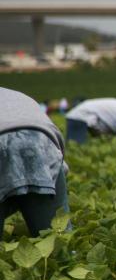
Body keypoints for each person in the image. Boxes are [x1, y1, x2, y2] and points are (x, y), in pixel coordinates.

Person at [1, 87, 69, 237]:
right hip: (41, 143)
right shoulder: (15, 95)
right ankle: (65, 258)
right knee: (58, 239)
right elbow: (58, 158)